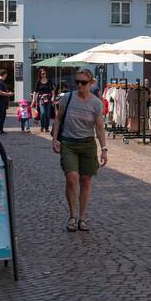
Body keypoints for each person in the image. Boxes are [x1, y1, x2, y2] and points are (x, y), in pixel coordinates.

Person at [51, 69, 108, 232]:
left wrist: (103, 149)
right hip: (69, 143)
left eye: (83, 82)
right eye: (77, 82)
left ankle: (82, 217)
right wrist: (54, 139)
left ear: (91, 83)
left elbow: (99, 128)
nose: (80, 85)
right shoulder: (67, 98)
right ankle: (72, 216)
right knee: (71, 178)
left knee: (86, 180)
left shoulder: (96, 103)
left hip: (88, 145)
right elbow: (58, 119)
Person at [33, 70, 55, 134]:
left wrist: (53, 97)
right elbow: (35, 91)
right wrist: (33, 99)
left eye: (45, 73)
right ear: (40, 74)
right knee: (42, 113)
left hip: (48, 98)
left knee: (47, 114)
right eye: (42, 73)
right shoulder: (38, 81)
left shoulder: (49, 81)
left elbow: (52, 90)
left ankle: (47, 128)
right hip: (41, 99)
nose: (44, 74)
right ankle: (42, 126)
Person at [0, 70, 13, 135]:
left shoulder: (2, 82)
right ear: (3, 75)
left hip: (3, 102)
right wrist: (8, 94)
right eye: (5, 76)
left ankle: (1, 130)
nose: (6, 77)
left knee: (3, 116)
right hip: (0, 102)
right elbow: (0, 92)